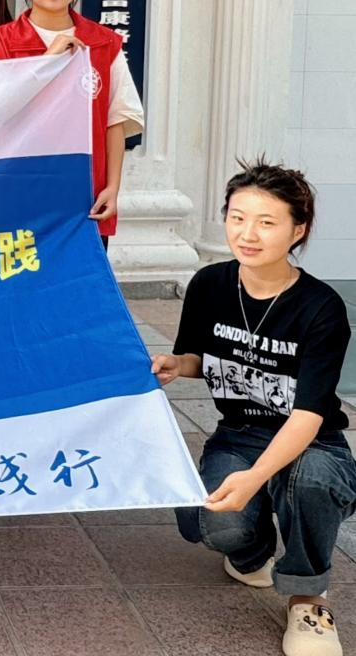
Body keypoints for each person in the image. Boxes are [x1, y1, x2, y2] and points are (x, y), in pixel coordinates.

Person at [152, 159, 355, 656]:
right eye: (237, 217)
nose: (248, 234)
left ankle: (307, 597)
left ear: (297, 230)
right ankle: (252, 553)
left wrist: (255, 477)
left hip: (312, 440)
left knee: (310, 481)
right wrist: (177, 365)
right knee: (211, 521)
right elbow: (202, 358)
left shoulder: (321, 307)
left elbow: (308, 415)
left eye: (266, 222)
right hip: (239, 435)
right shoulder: (210, 284)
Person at [0, 0, 143, 246]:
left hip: (84, 198)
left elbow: (115, 121)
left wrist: (112, 188)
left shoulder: (104, 44)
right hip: (16, 194)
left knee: (81, 276)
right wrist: (47, 62)